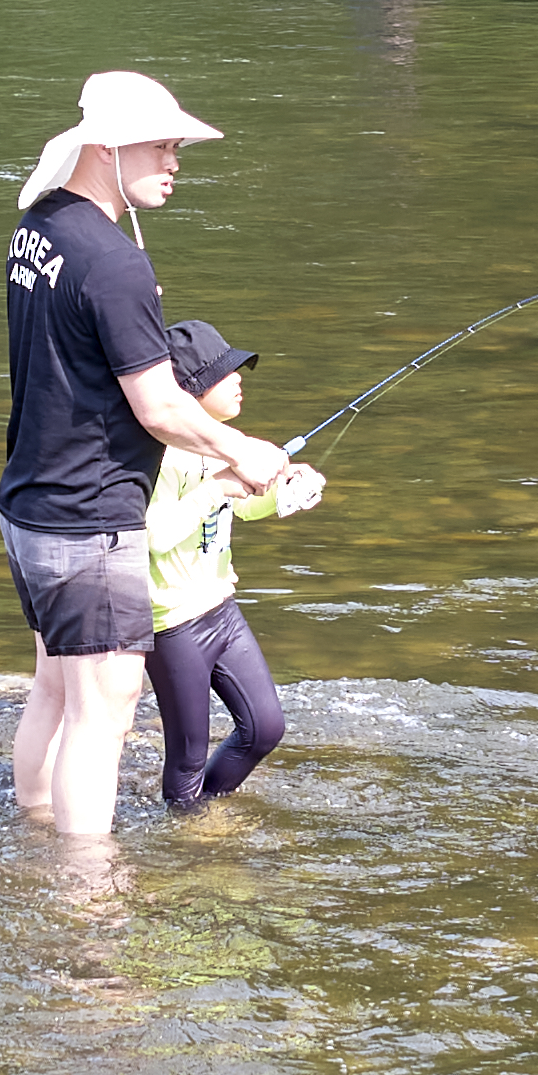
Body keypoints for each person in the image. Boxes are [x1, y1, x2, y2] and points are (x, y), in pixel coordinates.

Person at [0, 71, 290, 837]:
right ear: (105, 148)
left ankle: (33, 829)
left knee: (56, 692)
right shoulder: (114, 261)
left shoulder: (40, 225)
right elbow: (160, 406)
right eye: (161, 146)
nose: (175, 161)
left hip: (27, 503)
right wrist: (244, 452)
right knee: (105, 712)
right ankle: (85, 891)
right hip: (88, 517)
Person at [142, 320, 325, 812]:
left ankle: (205, 811)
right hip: (172, 624)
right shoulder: (158, 457)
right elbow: (154, 537)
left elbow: (242, 506)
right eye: (228, 373)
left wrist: (284, 495)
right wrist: (216, 487)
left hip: (221, 608)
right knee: (187, 755)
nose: (241, 378)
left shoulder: (225, 439)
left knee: (265, 728)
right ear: (193, 391)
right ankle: (187, 831)